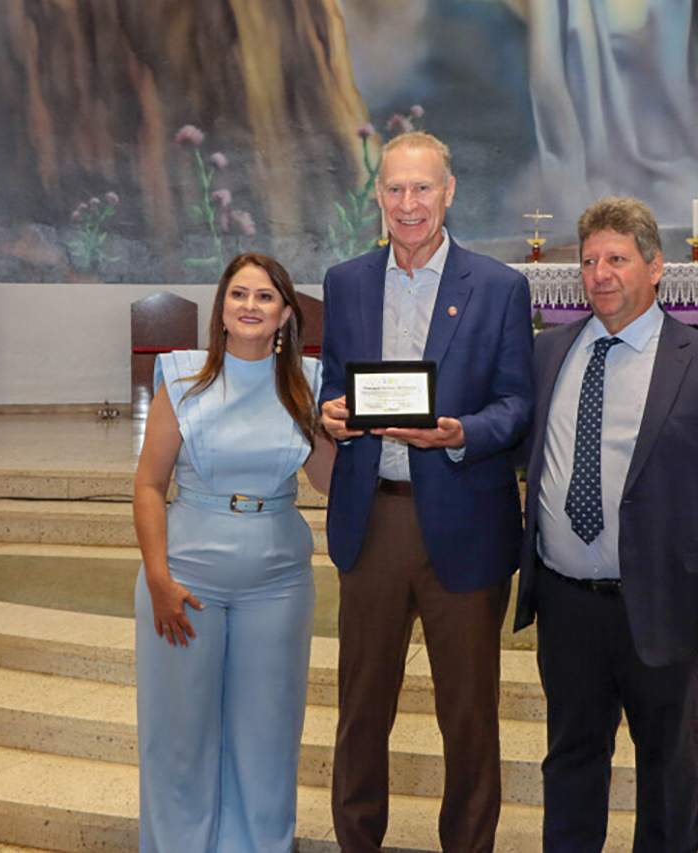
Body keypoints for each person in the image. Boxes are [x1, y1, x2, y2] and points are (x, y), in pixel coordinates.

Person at [513, 197, 698, 852]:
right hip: (568, 604)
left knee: (668, 772)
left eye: (617, 259)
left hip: (668, 605)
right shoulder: (547, 353)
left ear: (655, 267)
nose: (600, 274)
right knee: (570, 759)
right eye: (589, 260)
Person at [319, 131, 534, 852]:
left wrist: (462, 432)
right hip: (372, 520)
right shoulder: (346, 281)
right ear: (377, 196)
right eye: (395, 188)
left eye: (422, 187)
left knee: (468, 717)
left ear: (449, 192)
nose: (408, 203)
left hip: (466, 524)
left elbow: (517, 403)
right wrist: (331, 413)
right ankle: (357, 841)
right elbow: (333, 381)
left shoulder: (499, 287)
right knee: (361, 711)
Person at [132, 253, 335, 852]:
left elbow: (326, 483)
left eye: (265, 296)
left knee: (267, 733)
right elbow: (149, 485)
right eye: (238, 294)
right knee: (180, 733)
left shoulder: (309, 383)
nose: (250, 305)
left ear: (285, 314)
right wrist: (159, 579)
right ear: (221, 308)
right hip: (186, 578)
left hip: (278, 583)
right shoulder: (183, 379)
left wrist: (332, 432)